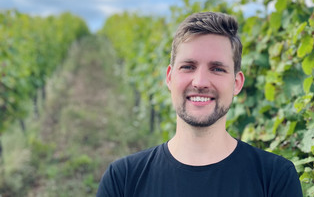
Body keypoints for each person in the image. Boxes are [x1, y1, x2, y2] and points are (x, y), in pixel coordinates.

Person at [97, 11, 303, 197]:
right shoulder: (123, 180)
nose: (200, 82)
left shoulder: (275, 179)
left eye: (217, 69)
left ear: (237, 83)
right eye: (188, 66)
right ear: (169, 78)